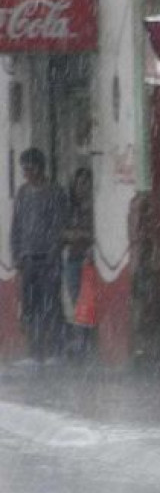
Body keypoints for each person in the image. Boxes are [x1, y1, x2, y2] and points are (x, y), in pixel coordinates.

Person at [10, 148, 68, 367]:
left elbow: (59, 226)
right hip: (27, 260)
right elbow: (16, 226)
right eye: (24, 169)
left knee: (51, 305)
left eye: (29, 168)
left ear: (39, 168)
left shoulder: (55, 192)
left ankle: (55, 350)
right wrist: (16, 254)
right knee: (30, 307)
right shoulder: (23, 194)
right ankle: (34, 352)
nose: (26, 173)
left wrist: (53, 253)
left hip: (48, 259)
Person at [63, 167, 96, 360]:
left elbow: (94, 235)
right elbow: (62, 232)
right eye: (79, 183)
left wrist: (81, 236)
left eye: (86, 183)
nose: (82, 187)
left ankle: (87, 342)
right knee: (77, 301)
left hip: (89, 261)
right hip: (73, 259)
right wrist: (74, 235)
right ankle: (80, 342)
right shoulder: (70, 209)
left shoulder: (94, 208)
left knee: (88, 302)